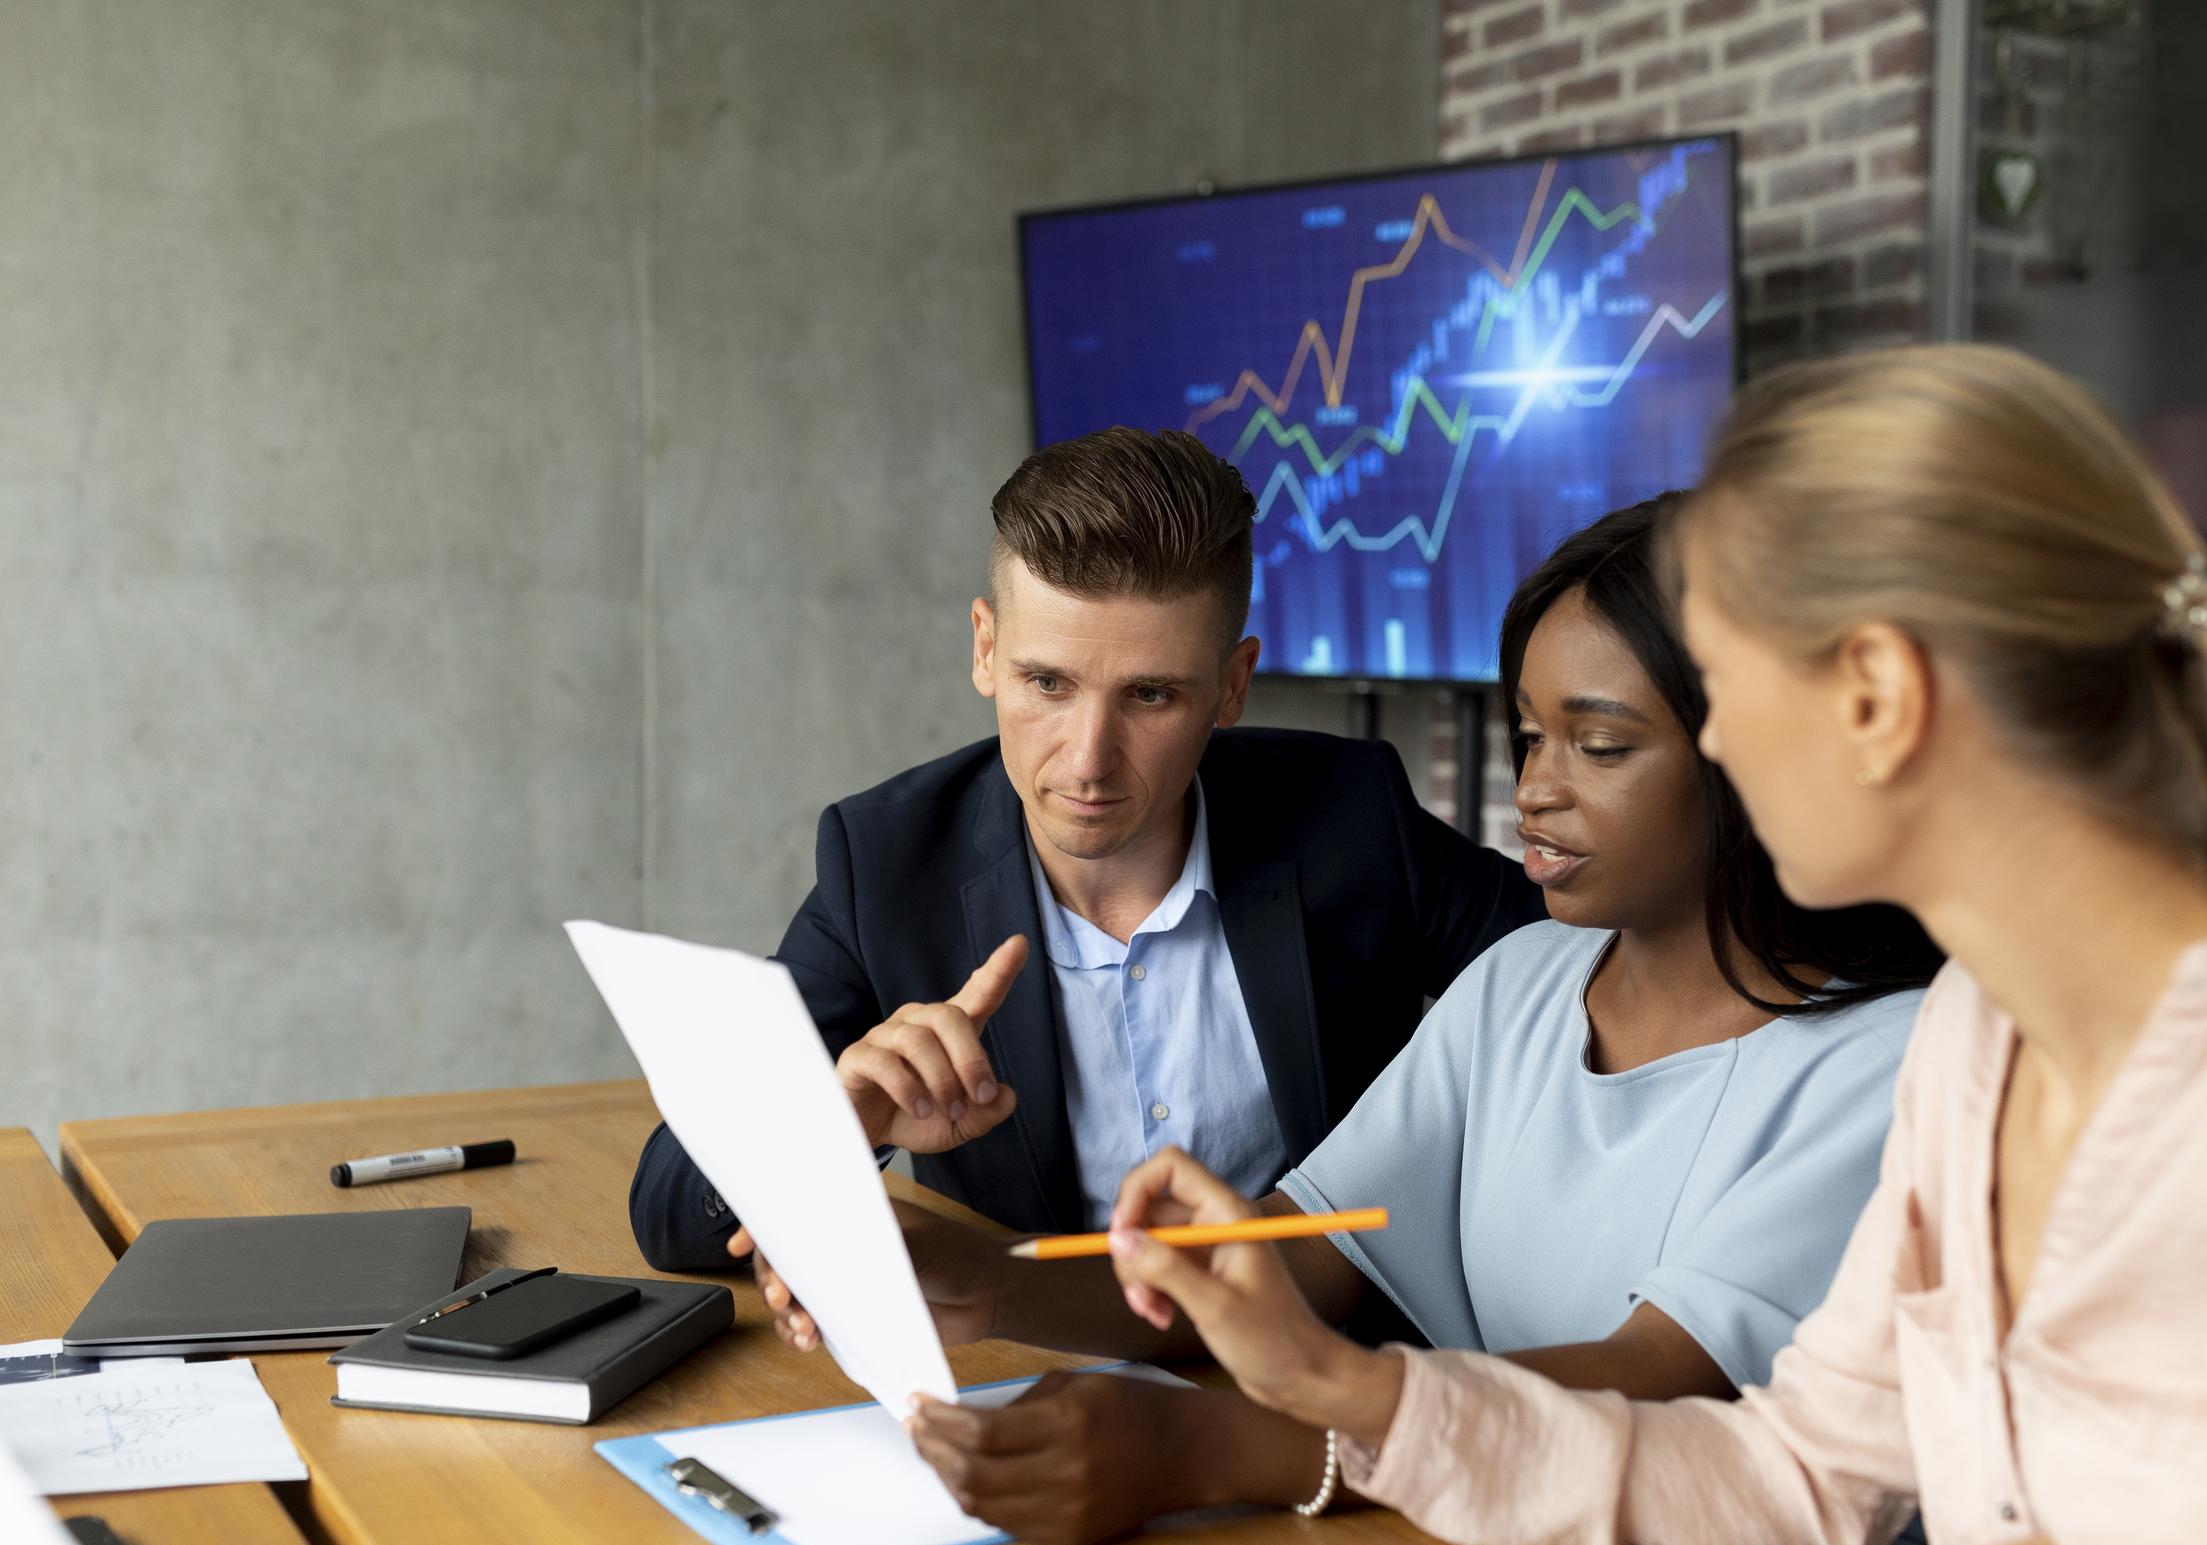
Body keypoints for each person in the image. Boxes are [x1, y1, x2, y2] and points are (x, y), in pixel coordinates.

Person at [1089, 347, 2207, 1545]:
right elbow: (1800, 1467)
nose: (1723, 744)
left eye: (1720, 681)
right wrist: (1358, 1394)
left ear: (1876, 695)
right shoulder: (1977, 1046)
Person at [801, 501, 1942, 1545]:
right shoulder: (1521, 981)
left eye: (1595, 747)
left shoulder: (1889, 1065)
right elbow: (1287, 1254)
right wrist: (969, 1274)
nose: (1534, 791)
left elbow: (1648, 1383)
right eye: (1530, 736)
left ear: (1760, 760)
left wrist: (1217, 1448)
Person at [628, 427, 1541, 1267]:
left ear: (1232, 687)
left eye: (1150, 696)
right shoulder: (889, 861)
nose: (1088, 760)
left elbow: (1594, 976)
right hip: (1037, 1376)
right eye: (1047, 682)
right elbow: (669, 1209)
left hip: (1301, 1371)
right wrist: (834, 1125)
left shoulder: (1351, 815)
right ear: (985, 649)